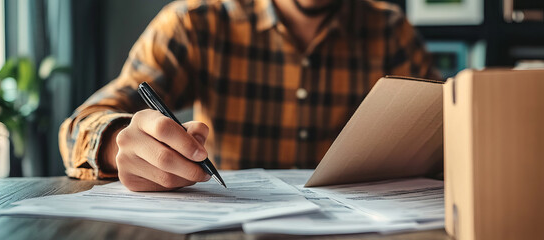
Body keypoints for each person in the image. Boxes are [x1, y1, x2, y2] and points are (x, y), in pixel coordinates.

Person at [59, 0, 439, 191]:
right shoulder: (196, 21)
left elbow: (450, 131)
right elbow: (79, 126)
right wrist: (116, 141)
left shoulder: (391, 32)